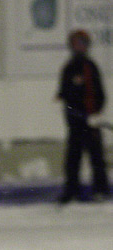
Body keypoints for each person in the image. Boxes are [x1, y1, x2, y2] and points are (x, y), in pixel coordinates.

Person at [57, 29, 110, 203]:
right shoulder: (68, 68)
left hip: (91, 122)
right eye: (76, 43)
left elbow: (100, 94)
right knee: (73, 160)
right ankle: (72, 191)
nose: (80, 47)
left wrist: (95, 114)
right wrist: (75, 116)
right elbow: (64, 95)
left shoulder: (91, 67)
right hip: (76, 123)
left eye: (83, 43)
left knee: (97, 158)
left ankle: (100, 190)